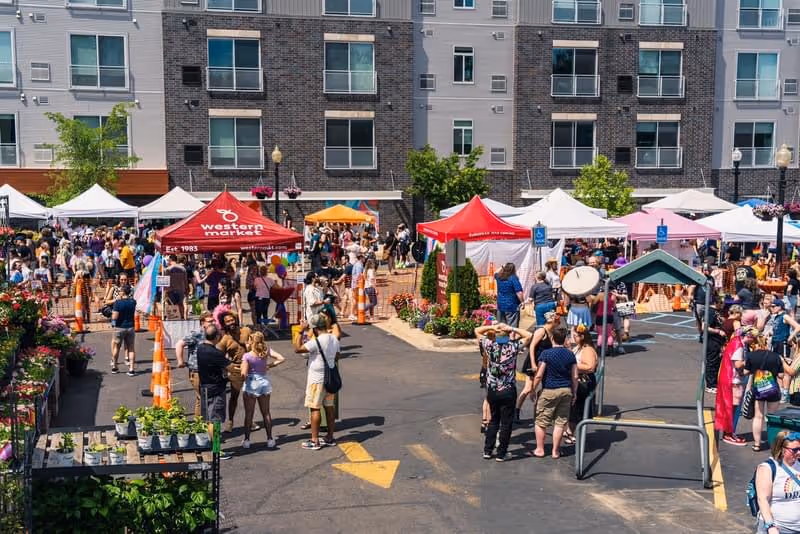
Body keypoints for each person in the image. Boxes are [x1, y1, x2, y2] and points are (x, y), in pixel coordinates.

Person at [475, 322, 533, 461]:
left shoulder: (489, 345)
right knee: (506, 423)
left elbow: (477, 330)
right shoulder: (513, 347)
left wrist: (491, 328)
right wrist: (511, 328)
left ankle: (488, 450)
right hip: (508, 389)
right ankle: (501, 453)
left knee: (493, 420)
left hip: (493, 389)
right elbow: (529, 335)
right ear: (507, 336)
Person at [292, 313, 341, 450]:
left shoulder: (317, 341)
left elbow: (297, 348)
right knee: (329, 408)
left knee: (315, 408)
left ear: (314, 328)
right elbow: (337, 356)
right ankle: (330, 437)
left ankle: (314, 441)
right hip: (330, 379)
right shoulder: (334, 339)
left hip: (317, 380)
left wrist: (300, 331)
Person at [532, 327, 578, 459]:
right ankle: (555, 451)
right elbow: (575, 376)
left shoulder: (546, 354)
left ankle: (540, 449)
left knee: (541, 421)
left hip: (549, 390)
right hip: (566, 390)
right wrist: (575, 392)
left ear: (552, 339)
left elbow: (539, 374)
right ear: (564, 340)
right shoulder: (570, 355)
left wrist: (533, 389)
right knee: (560, 421)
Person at [745, 336, 797, 451]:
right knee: (772, 417)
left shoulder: (751, 356)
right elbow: (781, 376)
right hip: (773, 390)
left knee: (758, 416)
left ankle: (757, 444)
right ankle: (773, 443)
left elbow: (745, 371)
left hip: (758, 389)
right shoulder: (776, 357)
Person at [240, 331, 285, 449]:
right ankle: (270, 439)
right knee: (266, 413)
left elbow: (243, 374)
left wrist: (240, 372)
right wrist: (270, 365)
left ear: (251, 341)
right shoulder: (266, 351)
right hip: (264, 383)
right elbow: (281, 358)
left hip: (251, 382)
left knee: (249, 414)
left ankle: (247, 440)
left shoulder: (247, 356)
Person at [715, 326, 758, 446]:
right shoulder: (739, 346)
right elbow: (738, 365)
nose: (754, 341)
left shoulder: (736, 341)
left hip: (730, 378)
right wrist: (752, 360)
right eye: (753, 338)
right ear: (748, 336)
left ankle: (729, 432)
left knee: (730, 408)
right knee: (732, 408)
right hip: (734, 381)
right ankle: (728, 434)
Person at [196, 324, 232, 460]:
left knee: (209, 420)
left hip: (204, 387)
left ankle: (211, 446)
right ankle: (216, 449)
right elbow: (230, 367)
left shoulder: (200, 349)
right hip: (216, 389)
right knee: (215, 421)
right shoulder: (214, 353)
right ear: (216, 336)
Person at [753, 430, 800, 533]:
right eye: (795, 450)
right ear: (782, 449)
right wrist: (770, 526)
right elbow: (762, 500)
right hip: (778, 528)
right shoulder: (768, 468)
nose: (799, 452)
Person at [516, 310, 557, 422]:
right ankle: (517, 410)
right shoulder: (541, 331)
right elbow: (532, 346)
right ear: (551, 321)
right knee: (529, 388)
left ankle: (540, 412)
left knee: (544, 387)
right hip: (534, 362)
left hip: (543, 363)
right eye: (556, 320)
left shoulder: (551, 332)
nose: (558, 323)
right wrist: (533, 363)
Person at [216, 312, 253, 434]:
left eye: (232, 320)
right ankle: (230, 421)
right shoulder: (225, 340)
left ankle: (250, 421)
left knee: (250, 396)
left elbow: (257, 346)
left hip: (251, 368)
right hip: (236, 370)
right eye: (227, 321)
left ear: (236, 320)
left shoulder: (246, 331)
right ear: (224, 324)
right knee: (234, 397)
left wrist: (250, 348)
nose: (231, 323)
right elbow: (218, 357)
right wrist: (227, 369)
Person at [175, 312, 215, 416]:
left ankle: (205, 425)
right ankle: (199, 425)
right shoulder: (196, 334)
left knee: (208, 398)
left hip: (210, 371)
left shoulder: (214, 333)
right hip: (197, 371)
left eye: (213, 321)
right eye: (210, 321)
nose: (213, 323)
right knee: (202, 398)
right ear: (203, 323)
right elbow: (180, 344)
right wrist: (180, 361)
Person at [565, 324, 598, 445]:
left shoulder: (587, 349)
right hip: (577, 381)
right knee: (572, 408)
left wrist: (572, 365)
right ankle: (569, 430)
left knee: (576, 408)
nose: (572, 337)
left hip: (583, 383)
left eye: (574, 335)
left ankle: (572, 433)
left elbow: (589, 367)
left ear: (582, 336)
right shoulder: (579, 347)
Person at [110, 285, 137, 376]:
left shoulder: (117, 303)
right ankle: (131, 369)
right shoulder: (133, 302)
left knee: (116, 347)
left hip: (119, 327)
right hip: (130, 327)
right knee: (131, 348)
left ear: (123, 292)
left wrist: (112, 320)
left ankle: (114, 366)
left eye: (120, 291)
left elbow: (115, 316)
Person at [704, 302, 727, 393]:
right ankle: (710, 385)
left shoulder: (717, 311)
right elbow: (704, 327)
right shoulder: (710, 312)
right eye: (722, 302)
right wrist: (718, 331)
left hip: (718, 341)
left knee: (717, 362)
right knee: (712, 362)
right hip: (712, 341)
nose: (723, 305)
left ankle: (714, 383)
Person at [494, 263, 524, 328]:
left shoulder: (499, 277)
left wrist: (502, 266)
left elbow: (495, 272)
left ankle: (506, 337)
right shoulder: (513, 278)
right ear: (513, 269)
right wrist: (522, 302)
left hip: (501, 305)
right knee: (512, 327)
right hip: (512, 305)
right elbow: (519, 292)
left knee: (503, 326)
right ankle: (512, 338)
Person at [166, 255, 188, 320]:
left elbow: (166, 281)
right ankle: (182, 318)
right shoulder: (183, 269)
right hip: (181, 289)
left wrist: (165, 290)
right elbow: (185, 280)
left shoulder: (168, 269)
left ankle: (173, 319)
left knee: (171, 305)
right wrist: (186, 289)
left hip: (171, 290)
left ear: (170, 260)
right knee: (181, 304)